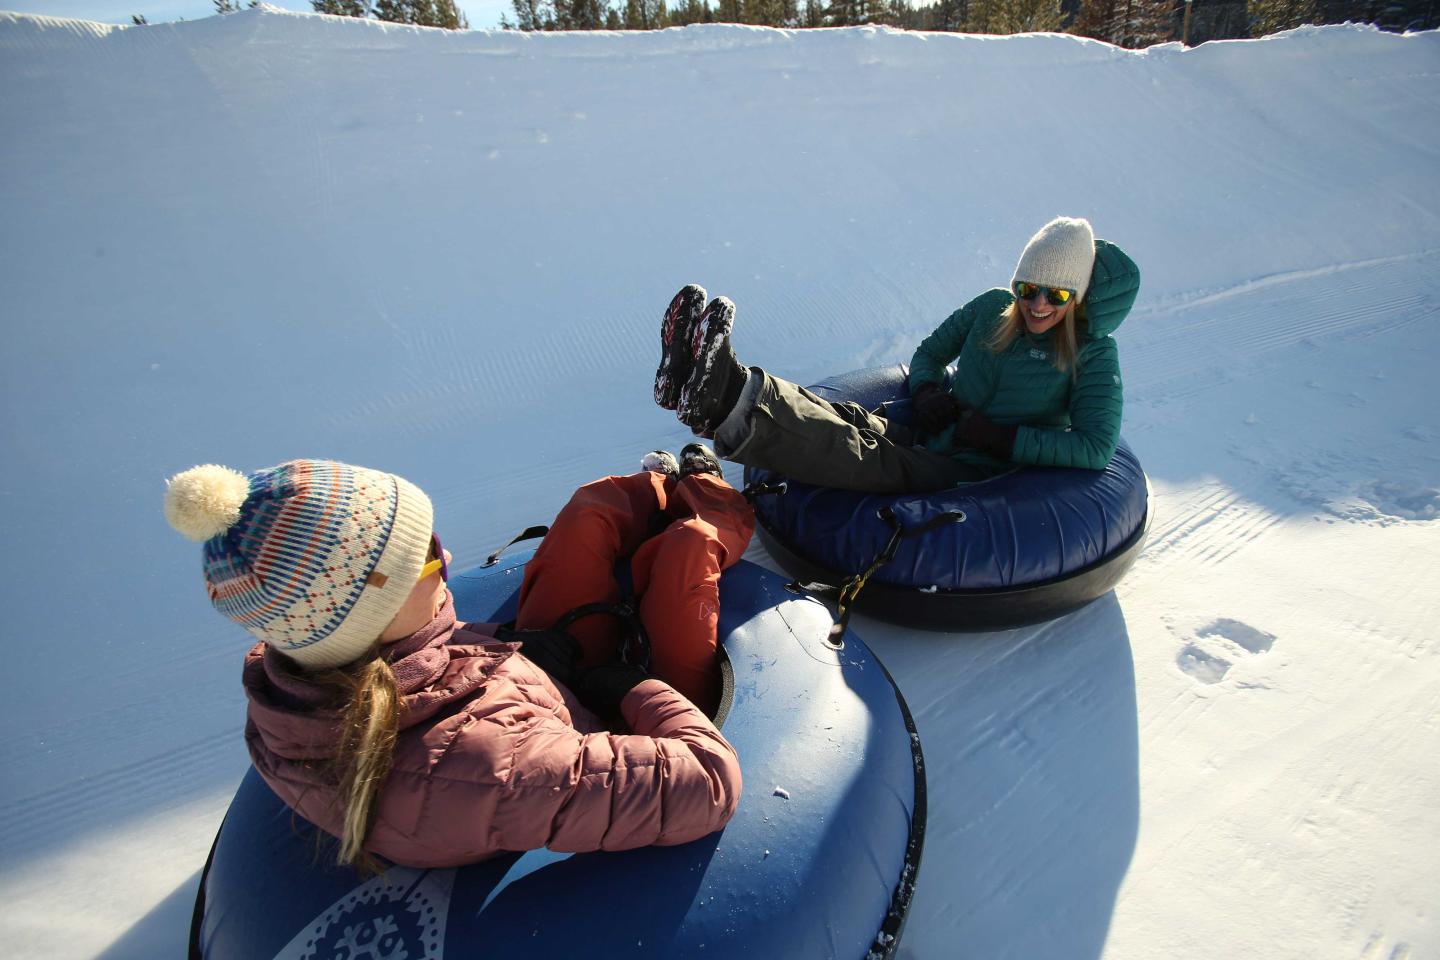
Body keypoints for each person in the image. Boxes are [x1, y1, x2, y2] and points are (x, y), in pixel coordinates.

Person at [164, 451, 747, 874]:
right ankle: (715, 496)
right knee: (689, 549)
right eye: (423, 558)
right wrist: (634, 689)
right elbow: (707, 782)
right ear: (373, 609)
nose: (445, 556)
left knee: (590, 512)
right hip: (608, 726)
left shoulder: (318, 671)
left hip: (534, 684)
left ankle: (669, 482)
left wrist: (504, 645)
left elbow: (417, 666)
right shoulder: (488, 771)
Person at [654, 217, 1140, 493]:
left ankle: (723, 404)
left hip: (980, 468)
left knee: (871, 458)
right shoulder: (993, 306)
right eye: (1029, 288)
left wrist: (1004, 439)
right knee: (845, 416)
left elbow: (1096, 446)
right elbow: (931, 351)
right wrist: (928, 388)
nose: (1036, 305)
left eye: (1055, 296)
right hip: (939, 429)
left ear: (1075, 298)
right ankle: (713, 381)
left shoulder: (1092, 355)